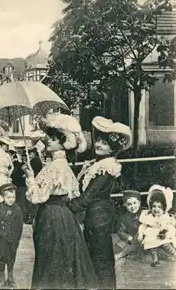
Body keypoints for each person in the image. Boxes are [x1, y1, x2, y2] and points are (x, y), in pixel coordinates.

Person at [24, 113, 96, 289]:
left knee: (51, 261)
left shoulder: (55, 167)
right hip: (64, 217)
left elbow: (38, 197)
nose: (48, 140)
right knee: (61, 259)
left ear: (63, 143)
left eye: (54, 138)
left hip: (52, 217)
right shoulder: (60, 165)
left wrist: (30, 177)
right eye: (49, 136)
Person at [66, 116, 132, 289]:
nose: (98, 145)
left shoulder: (106, 168)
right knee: (98, 258)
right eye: (98, 141)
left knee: (100, 259)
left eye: (104, 143)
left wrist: (66, 208)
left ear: (112, 148)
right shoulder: (98, 164)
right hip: (96, 215)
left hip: (98, 217)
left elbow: (88, 197)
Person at [138, 184, 176, 267]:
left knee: (166, 244)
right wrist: (140, 234)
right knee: (150, 244)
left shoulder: (165, 217)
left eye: (159, 207)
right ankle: (155, 259)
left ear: (163, 208)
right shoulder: (148, 216)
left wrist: (167, 233)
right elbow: (142, 226)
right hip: (151, 235)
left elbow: (170, 227)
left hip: (162, 234)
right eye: (154, 206)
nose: (156, 209)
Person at [114, 190, 144, 260]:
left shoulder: (145, 213)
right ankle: (129, 251)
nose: (132, 206)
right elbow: (121, 231)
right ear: (125, 204)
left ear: (139, 203)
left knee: (133, 246)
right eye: (129, 204)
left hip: (143, 238)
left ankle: (122, 254)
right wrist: (128, 237)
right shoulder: (124, 217)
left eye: (134, 203)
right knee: (116, 247)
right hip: (130, 239)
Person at [23, 146, 43, 224]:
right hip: (33, 180)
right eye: (28, 153)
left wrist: (25, 169)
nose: (29, 155)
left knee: (33, 199)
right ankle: (32, 216)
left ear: (34, 153)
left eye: (30, 153)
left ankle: (32, 217)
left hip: (34, 181)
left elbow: (33, 171)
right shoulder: (34, 160)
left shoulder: (35, 160)